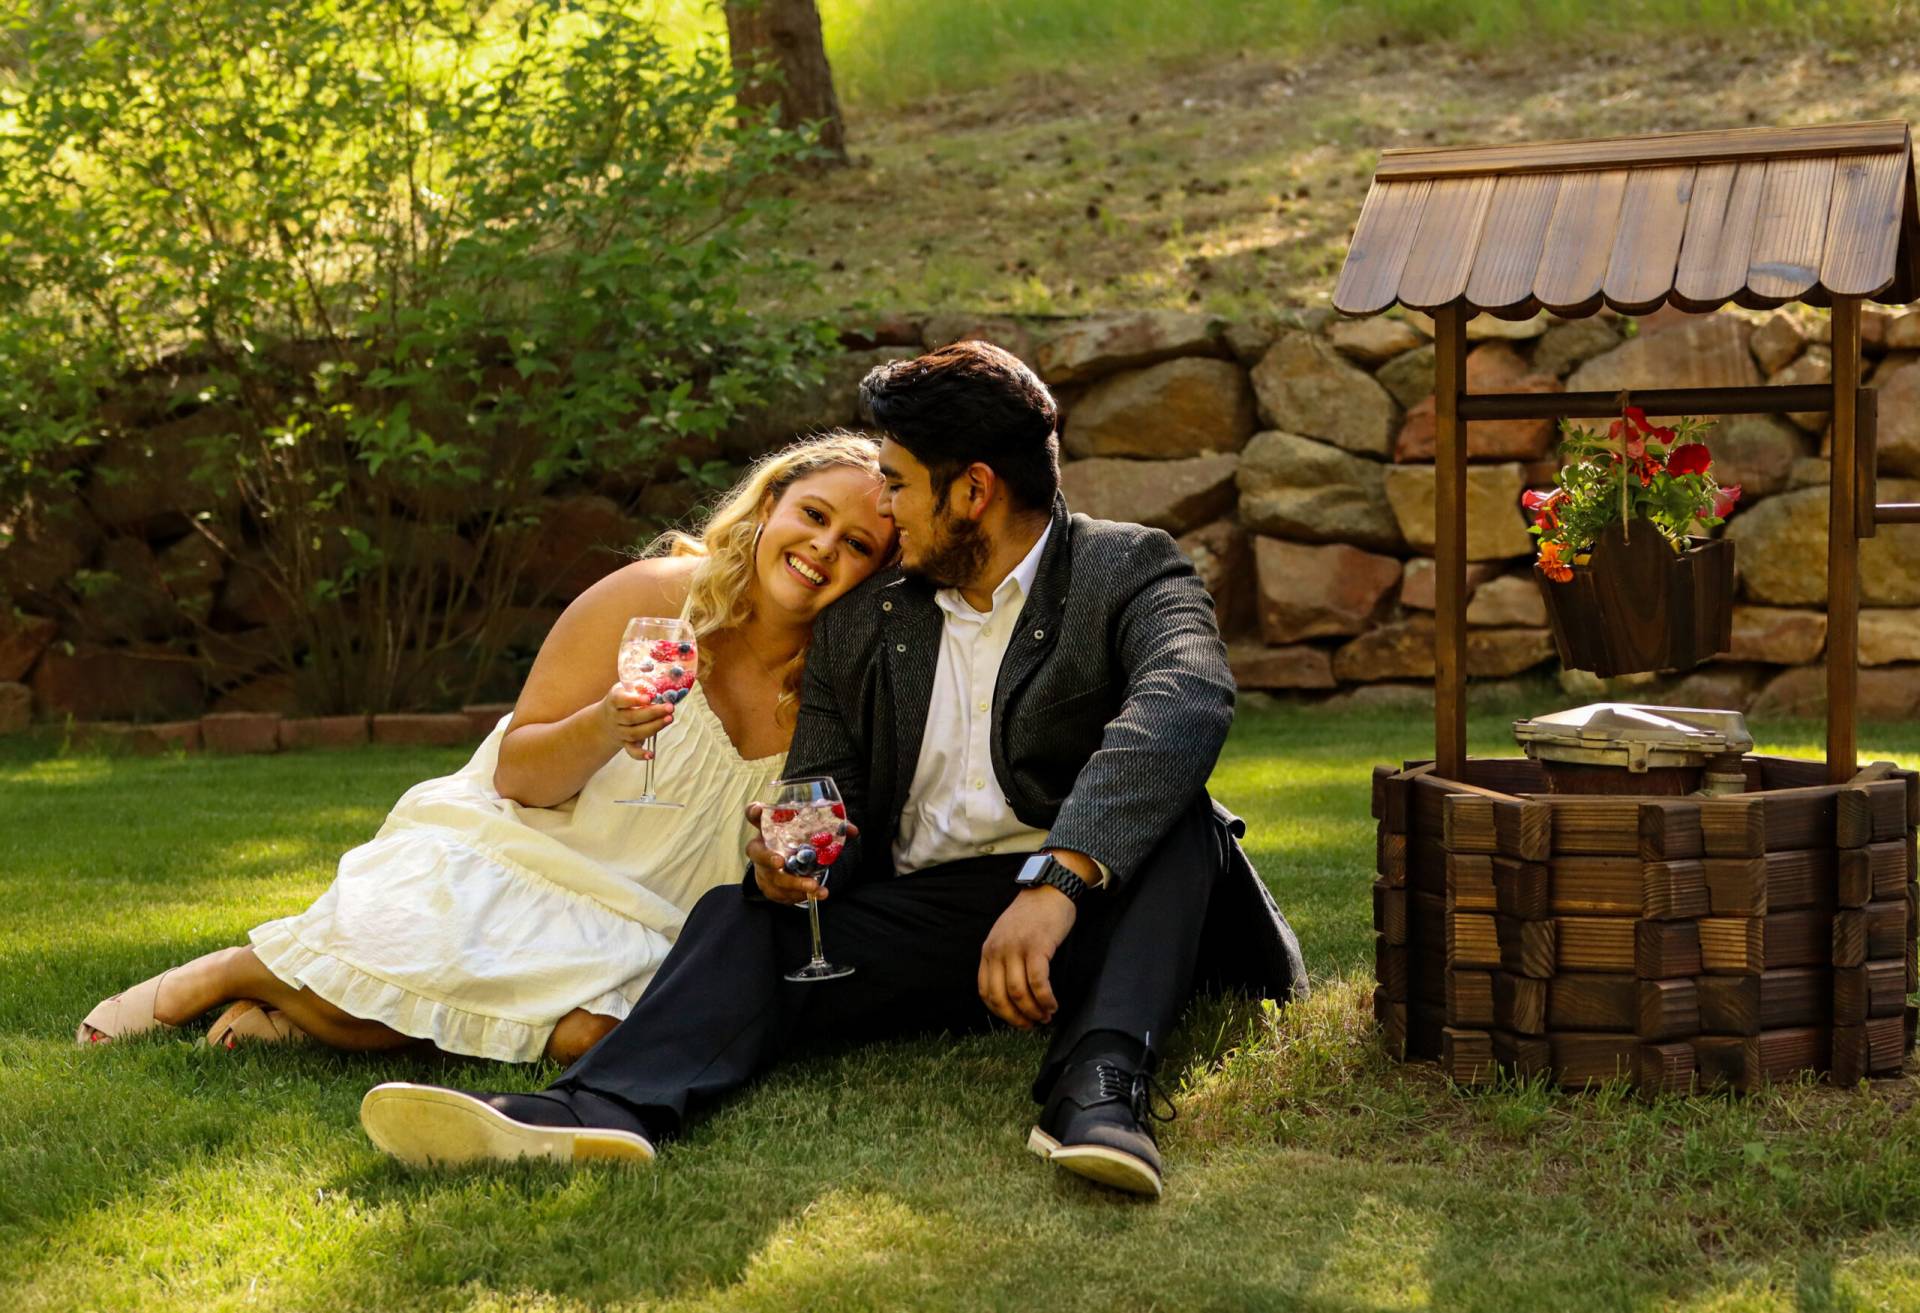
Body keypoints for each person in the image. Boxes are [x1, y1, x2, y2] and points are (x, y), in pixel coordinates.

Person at [358, 341, 1306, 1198]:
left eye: (895, 483)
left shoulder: (1127, 569)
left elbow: (1186, 701)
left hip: (1110, 907)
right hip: (940, 923)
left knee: (1183, 819)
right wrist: (797, 860)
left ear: (971, 490)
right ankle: (598, 1109)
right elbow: (829, 786)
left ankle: (1099, 1095)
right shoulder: (870, 616)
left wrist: (1060, 876)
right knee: (744, 908)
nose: (882, 510)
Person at [76, 431, 895, 1064]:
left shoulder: (836, 681)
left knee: (588, 1039)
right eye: (814, 515)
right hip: (523, 854)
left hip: (655, 919)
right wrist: (610, 723)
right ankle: (237, 970)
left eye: (858, 544)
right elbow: (520, 777)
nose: (825, 547)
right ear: (769, 508)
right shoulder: (653, 601)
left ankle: (308, 1014)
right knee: (426, 967)